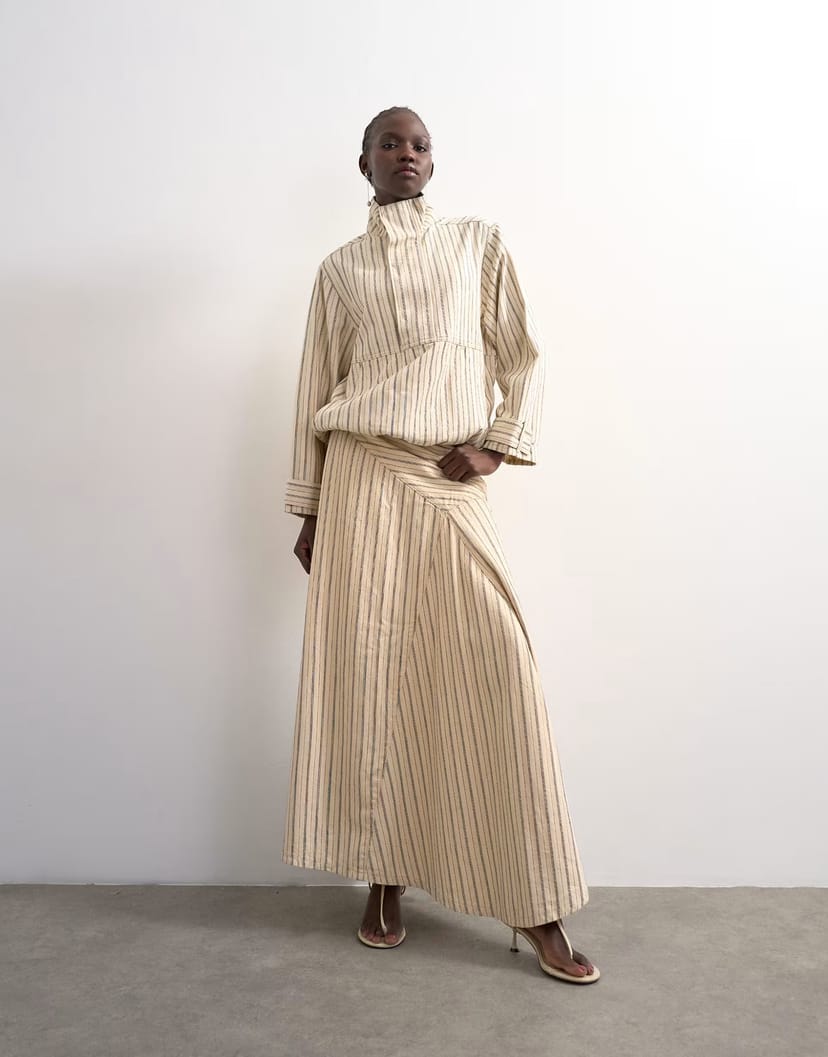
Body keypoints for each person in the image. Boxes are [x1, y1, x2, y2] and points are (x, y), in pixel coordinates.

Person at [281, 106, 599, 983]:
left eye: (419, 143)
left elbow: (521, 355)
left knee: (500, 665)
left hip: (448, 478)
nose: (407, 154)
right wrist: (311, 509)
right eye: (390, 143)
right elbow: (314, 384)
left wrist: (495, 445)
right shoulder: (339, 270)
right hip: (361, 477)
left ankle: (535, 899)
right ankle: (384, 876)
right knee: (374, 674)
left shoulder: (475, 243)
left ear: (434, 160)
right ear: (364, 163)